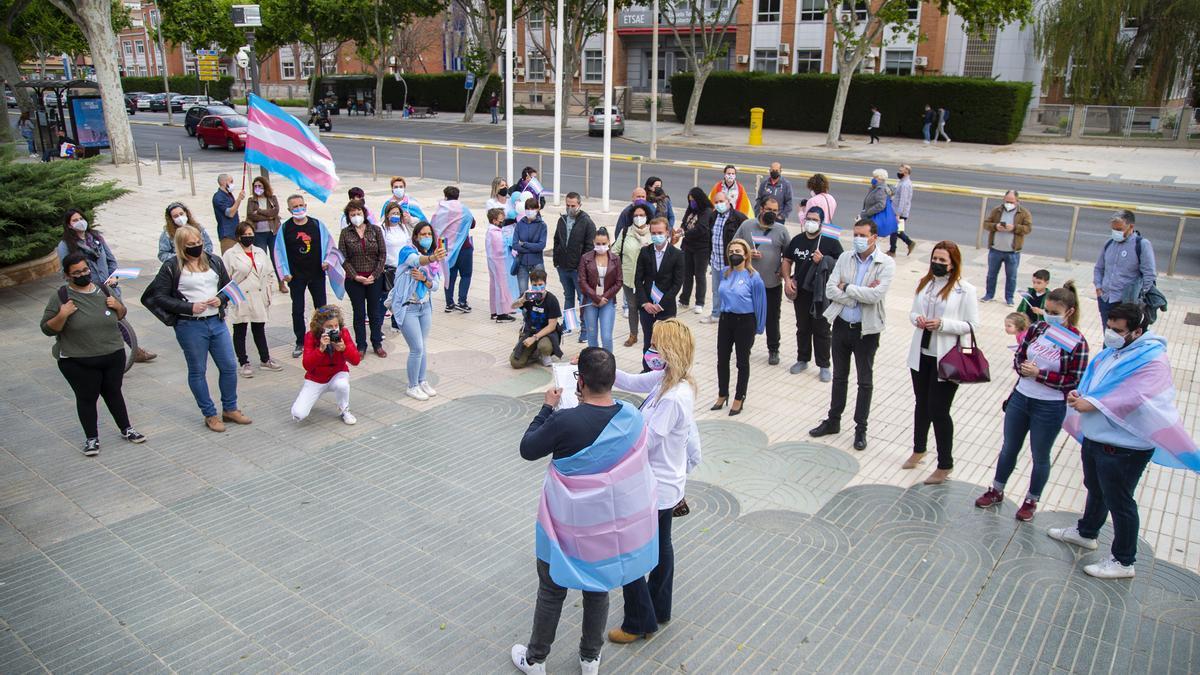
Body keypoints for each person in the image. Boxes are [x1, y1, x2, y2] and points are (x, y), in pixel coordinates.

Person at [511, 348, 658, 675]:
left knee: (551, 589)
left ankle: (535, 659)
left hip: (562, 525)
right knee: (597, 586)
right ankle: (590, 658)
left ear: (581, 382)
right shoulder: (631, 416)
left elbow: (528, 448)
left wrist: (546, 408)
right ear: (611, 380)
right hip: (605, 527)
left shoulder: (565, 421)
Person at [1051, 303, 1197, 579]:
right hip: (1098, 438)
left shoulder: (1153, 360)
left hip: (1125, 448)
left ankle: (1123, 560)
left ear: (1137, 331)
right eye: (1109, 327)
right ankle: (1087, 532)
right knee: (1095, 488)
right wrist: (1079, 394)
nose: (1110, 334)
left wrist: (1091, 403)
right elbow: (1097, 380)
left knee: (1120, 502)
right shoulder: (1115, 351)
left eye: (1117, 330)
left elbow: (1138, 396)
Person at [607, 318, 701, 645]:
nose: (651, 350)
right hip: (665, 484)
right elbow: (632, 380)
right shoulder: (670, 380)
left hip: (656, 487)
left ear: (669, 351)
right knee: (661, 548)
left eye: (656, 345)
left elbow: (647, 444)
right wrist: (600, 364)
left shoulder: (674, 396)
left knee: (632, 552)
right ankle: (660, 609)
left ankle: (638, 621)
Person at [976, 283, 1088, 521]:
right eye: (1047, 310)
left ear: (1069, 311)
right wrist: (1023, 368)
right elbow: (1020, 355)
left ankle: (1031, 500)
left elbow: (1074, 380)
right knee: (1009, 448)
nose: (1048, 316)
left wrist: (1041, 375)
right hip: (1021, 398)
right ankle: (996, 489)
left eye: (1055, 312)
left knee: (1040, 454)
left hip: (1050, 406)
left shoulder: (1077, 341)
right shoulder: (1038, 328)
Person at [141, 225, 251, 432]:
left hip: (216, 322)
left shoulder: (214, 260)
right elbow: (159, 296)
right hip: (190, 326)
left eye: (198, 242)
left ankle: (230, 408)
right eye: (191, 245)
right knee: (198, 370)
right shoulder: (171, 267)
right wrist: (189, 307)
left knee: (228, 365)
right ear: (182, 246)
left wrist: (220, 299)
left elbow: (228, 288)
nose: (196, 247)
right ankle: (209, 413)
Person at [42, 253, 146, 456]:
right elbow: (47, 329)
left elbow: (121, 314)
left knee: (114, 392)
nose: (83, 274)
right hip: (78, 360)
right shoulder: (61, 297)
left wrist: (118, 307)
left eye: (85, 270)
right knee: (87, 397)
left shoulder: (103, 289)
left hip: (112, 354)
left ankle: (127, 429)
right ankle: (92, 438)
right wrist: (62, 314)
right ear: (67, 275)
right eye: (77, 273)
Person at [809, 219, 895, 451]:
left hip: (866, 331)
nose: (857, 238)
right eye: (855, 234)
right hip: (841, 325)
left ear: (874, 237)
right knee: (839, 377)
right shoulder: (846, 258)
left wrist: (846, 288)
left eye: (862, 235)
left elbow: (875, 296)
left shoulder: (885, 263)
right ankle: (833, 420)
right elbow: (830, 289)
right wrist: (858, 294)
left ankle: (860, 428)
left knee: (864, 381)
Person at [901, 241, 979, 483]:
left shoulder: (965, 290)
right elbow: (913, 312)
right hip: (922, 353)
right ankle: (919, 448)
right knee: (921, 403)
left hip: (947, 358)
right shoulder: (925, 283)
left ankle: (945, 463)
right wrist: (919, 320)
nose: (937, 263)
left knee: (939, 409)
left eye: (943, 261)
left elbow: (973, 325)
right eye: (935, 258)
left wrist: (944, 325)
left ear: (953, 263)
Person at [56, 209, 156, 363]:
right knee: (105, 322)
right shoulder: (65, 245)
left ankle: (132, 351)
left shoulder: (96, 238)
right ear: (69, 225)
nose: (80, 222)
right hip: (88, 290)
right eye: (75, 220)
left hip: (108, 288)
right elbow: (66, 271)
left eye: (81, 218)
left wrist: (113, 277)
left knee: (117, 318)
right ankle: (131, 352)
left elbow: (111, 260)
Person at [782, 206, 843, 381]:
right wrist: (787, 280)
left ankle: (824, 365)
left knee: (822, 329)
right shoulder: (797, 240)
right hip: (801, 292)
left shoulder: (830, 242)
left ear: (821, 223)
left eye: (815, 219)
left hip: (821, 294)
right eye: (808, 218)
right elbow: (787, 260)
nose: (811, 222)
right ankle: (802, 359)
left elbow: (841, 264)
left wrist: (824, 260)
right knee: (802, 327)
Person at [389, 221, 446, 400]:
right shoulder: (407, 251)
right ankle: (412, 385)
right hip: (408, 308)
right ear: (416, 236)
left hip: (425, 306)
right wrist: (431, 259)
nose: (426, 238)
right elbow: (416, 260)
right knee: (416, 348)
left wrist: (424, 279)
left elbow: (435, 285)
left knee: (423, 346)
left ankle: (422, 381)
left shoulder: (433, 259)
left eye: (429, 234)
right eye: (423, 234)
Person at [710, 238, 766, 415]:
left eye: (738, 252)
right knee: (722, 359)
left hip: (745, 322)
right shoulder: (725, 272)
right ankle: (722, 393)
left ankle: (739, 397)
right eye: (731, 252)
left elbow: (761, 304)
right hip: (726, 320)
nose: (734, 255)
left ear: (746, 255)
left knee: (742, 362)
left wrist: (759, 327)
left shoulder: (753, 277)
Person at [275, 194, 334, 358]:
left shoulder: (317, 225)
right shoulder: (285, 228)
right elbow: (278, 252)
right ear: (289, 209)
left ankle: (323, 337)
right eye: (295, 206)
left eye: (301, 205)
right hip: (296, 276)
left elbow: (330, 244)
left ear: (306, 206)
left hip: (316, 274)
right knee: (297, 309)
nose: (299, 208)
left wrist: (327, 261)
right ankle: (300, 341)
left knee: (322, 309)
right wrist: (284, 273)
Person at [222, 222, 282, 377]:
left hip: (258, 296)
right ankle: (243, 362)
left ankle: (265, 359)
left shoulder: (260, 252)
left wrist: (268, 291)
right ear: (238, 236)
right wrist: (230, 298)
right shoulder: (230, 255)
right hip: (240, 297)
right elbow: (224, 278)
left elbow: (269, 272)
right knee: (240, 330)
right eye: (245, 235)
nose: (249, 237)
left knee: (259, 328)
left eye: (251, 234)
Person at [734, 198, 788, 365]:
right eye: (769, 209)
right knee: (748, 317)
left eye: (775, 210)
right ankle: (745, 347)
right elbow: (734, 246)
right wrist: (748, 253)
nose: (772, 213)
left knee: (772, 318)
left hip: (772, 283)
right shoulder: (747, 226)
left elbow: (788, 255)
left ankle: (773, 349)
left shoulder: (781, 230)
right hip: (748, 283)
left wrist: (783, 270)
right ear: (761, 209)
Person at [291, 305, 361, 425]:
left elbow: (356, 360)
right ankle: (314, 395)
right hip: (316, 378)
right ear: (321, 328)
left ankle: (344, 410)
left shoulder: (343, 333)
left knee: (342, 385)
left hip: (337, 374)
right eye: (329, 327)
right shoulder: (311, 336)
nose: (334, 329)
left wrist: (344, 349)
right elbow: (307, 365)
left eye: (336, 326)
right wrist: (320, 350)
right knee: (298, 414)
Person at [339, 200, 388, 357]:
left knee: (374, 312)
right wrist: (356, 276)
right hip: (355, 280)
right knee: (359, 313)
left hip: (374, 277)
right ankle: (361, 345)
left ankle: (377, 342)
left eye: (358, 213)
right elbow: (343, 257)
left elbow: (382, 254)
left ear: (364, 214)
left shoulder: (375, 230)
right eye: (352, 214)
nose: (356, 216)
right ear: (348, 217)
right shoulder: (346, 233)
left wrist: (376, 273)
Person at [635, 218, 684, 371]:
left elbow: (677, 284)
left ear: (667, 233)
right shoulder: (645, 252)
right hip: (647, 307)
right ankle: (647, 371)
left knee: (666, 342)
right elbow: (638, 279)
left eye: (660, 233)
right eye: (654, 233)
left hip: (665, 307)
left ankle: (667, 372)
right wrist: (645, 303)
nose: (657, 236)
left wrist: (661, 304)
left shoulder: (677, 254)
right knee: (648, 341)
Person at [1094, 209, 1156, 326]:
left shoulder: (1142, 245)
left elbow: (1149, 274)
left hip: (1126, 303)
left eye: (1119, 229)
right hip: (1106, 299)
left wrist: (1138, 297)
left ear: (1130, 226)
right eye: (1113, 229)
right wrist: (1098, 287)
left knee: (1124, 337)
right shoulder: (1109, 243)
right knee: (1108, 334)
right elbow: (1099, 268)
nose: (1115, 232)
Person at [552, 192, 596, 340]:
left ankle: (585, 330)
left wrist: (582, 267)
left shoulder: (587, 222)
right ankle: (569, 325)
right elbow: (556, 240)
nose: (570, 208)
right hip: (563, 267)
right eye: (568, 205)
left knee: (583, 299)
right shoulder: (562, 220)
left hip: (578, 270)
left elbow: (590, 248)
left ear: (579, 205)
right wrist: (556, 261)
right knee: (568, 297)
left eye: (573, 206)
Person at [699, 191, 747, 325]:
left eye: (721, 201)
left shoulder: (738, 217)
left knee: (732, 290)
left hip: (731, 263)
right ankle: (716, 314)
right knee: (716, 290)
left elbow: (748, 235)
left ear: (728, 201)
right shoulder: (713, 216)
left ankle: (731, 316)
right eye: (716, 202)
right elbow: (710, 236)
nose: (719, 204)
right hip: (716, 260)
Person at [981, 190, 1033, 305]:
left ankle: (1009, 298)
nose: (1008, 203)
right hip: (995, 250)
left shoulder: (1024, 213)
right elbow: (986, 224)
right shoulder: (997, 210)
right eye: (1006, 201)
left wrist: (1014, 228)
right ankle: (989, 295)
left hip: (1012, 252)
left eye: (1011, 201)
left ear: (1017, 201)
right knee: (991, 275)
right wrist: (996, 226)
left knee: (1011, 277)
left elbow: (1028, 229)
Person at [579, 228, 622, 352]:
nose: (601, 246)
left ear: (609, 242)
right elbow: (582, 281)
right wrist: (595, 297)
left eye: (604, 243)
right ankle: (593, 363)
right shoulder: (585, 258)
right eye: (598, 244)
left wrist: (605, 297)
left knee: (606, 336)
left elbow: (619, 282)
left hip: (607, 301)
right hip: (590, 300)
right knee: (591, 335)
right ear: (593, 242)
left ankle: (608, 363)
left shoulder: (615, 259)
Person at [510, 268, 563, 368]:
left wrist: (534, 338)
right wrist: (522, 300)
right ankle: (533, 352)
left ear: (545, 283)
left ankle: (544, 353)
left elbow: (552, 326)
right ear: (531, 284)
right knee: (515, 363)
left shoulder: (551, 299)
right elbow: (512, 307)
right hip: (530, 331)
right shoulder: (528, 296)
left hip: (547, 333)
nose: (537, 287)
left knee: (544, 347)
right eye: (534, 285)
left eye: (540, 284)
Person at [616, 205, 653, 347]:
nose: (639, 218)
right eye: (636, 215)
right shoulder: (626, 232)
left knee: (647, 307)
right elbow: (615, 251)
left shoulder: (652, 232)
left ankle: (651, 335)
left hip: (647, 279)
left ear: (647, 216)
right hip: (629, 277)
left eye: (642, 215)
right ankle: (633, 334)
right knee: (632, 307)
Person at [436, 186, 475, 314]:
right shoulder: (464, 210)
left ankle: (449, 303)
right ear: (458, 196)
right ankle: (462, 302)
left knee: (449, 275)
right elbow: (472, 223)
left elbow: (434, 226)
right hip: (464, 247)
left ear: (445, 196)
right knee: (466, 275)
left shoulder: (440, 210)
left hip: (446, 246)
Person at [678, 188, 713, 312]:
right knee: (686, 274)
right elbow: (684, 222)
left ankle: (699, 302)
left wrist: (684, 234)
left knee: (699, 275)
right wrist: (681, 229)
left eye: (693, 200)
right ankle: (684, 299)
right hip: (688, 246)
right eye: (690, 201)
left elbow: (701, 229)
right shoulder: (690, 210)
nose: (692, 203)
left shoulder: (707, 211)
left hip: (701, 248)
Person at [381, 202, 412, 330]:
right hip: (389, 269)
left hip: (403, 268)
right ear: (387, 215)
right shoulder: (382, 229)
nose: (395, 216)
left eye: (398, 213)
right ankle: (378, 325)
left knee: (400, 297)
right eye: (393, 213)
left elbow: (408, 243)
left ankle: (397, 323)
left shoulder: (402, 227)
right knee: (387, 298)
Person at [485, 207, 519, 323]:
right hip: (499, 262)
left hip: (493, 262)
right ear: (494, 220)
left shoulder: (491, 230)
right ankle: (502, 313)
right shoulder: (495, 233)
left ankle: (494, 311)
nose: (503, 222)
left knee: (494, 286)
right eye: (501, 220)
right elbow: (501, 247)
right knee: (501, 287)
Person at [511, 198, 548, 293]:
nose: (530, 211)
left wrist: (524, 244)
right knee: (523, 294)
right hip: (522, 263)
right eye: (528, 209)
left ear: (537, 209)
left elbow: (541, 246)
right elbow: (515, 245)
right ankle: (525, 308)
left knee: (539, 292)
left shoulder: (542, 225)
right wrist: (531, 247)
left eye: (532, 209)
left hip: (537, 263)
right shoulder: (520, 224)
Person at [246, 175, 281, 258]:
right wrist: (268, 217)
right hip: (258, 233)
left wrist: (259, 211)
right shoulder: (251, 200)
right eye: (255, 186)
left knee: (276, 257)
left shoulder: (272, 198)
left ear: (265, 186)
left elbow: (275, 212)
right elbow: (251, 215)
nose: (257, 188)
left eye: (259, 186)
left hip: (273, 232)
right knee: (261, 257)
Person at [212, 173, 245, 253]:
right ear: (224, 182)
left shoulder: (228, 194)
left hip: (236, 233)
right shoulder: (218, 197)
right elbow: (230, 213)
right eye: (231, 181)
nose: (232, 184)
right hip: (227, 235)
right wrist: (239, 199)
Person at [889, 164, 916, 256]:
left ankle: (893, 251)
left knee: (894, 230)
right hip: (897, 210)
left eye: (901, 171)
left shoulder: (905, 184)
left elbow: (903, 200)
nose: (899, 172)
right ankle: (908, 243)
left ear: (906, 172)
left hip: (900, 212)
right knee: (896, 230)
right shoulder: (901, 182)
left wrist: (898, 214)